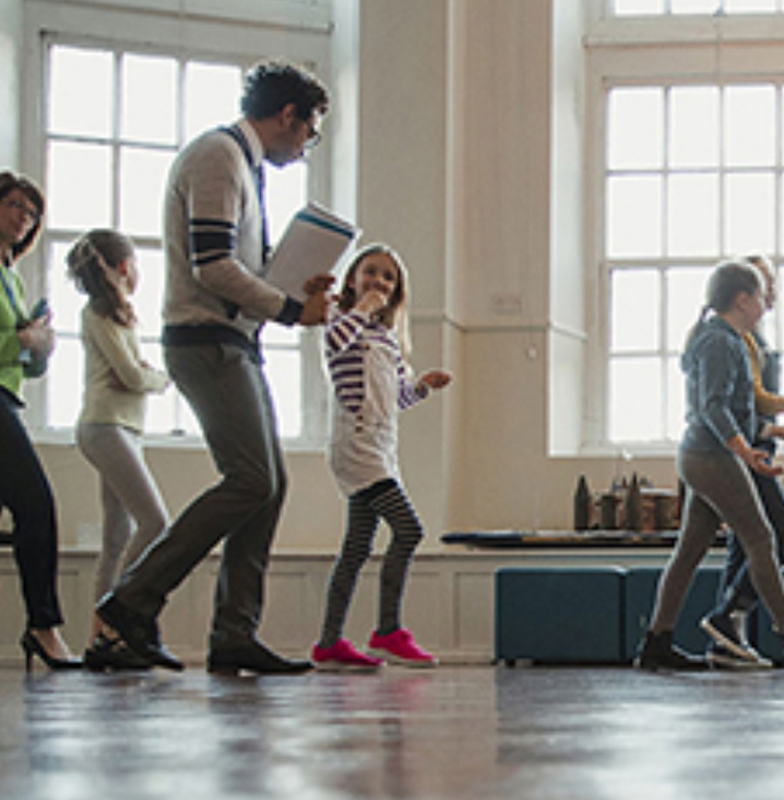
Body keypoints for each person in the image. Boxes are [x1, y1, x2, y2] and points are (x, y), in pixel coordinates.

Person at [97, 60, 332, 674]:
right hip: (204, 340)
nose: (307, 146)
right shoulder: (218, 156)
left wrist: (292, 283)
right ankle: (132, 600)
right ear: (288, 115)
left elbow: (234, 265)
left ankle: (233, 634)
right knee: (252, 478)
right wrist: (288, 308)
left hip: (231, 340)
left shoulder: (242, 166)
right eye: (311, 131)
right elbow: (212, 266)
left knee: (269, 484)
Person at [635, 259, 784, 671]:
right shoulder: (721, 341)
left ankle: (656, 642)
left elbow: (740, 413)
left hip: (703, 455)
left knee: (690, 550)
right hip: (710, 457)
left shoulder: (726, 338)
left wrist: (767, 436)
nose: (765, 307)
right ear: (742, 299)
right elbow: (714, 407)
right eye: (759, 297)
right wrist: (744, 450)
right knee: (761, 539)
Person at [311, 244, 452, 671]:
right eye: (370, 273)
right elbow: (333, 344)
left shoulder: (387, 338)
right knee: (409, 530)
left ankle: (329, 642)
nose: (379, 282)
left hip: (382, 447)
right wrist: (360, 308)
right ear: (353, 279)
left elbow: (392, 400)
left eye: (388, 278)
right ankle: (388, 630)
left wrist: (423, 385)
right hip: (356, 448)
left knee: (356, 547)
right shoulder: (342, 322)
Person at [66, 230, 170, 672]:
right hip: (104, 427)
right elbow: (131, 376)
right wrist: (159, 378)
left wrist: (139, 374)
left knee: (116, 539)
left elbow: (126, 375)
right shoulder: (98, 314)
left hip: (123, 429)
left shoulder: (120, 316)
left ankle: (100, 640)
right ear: (125, 267)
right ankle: (119, 618)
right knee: (156, 522)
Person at [0, 170, 81, 670]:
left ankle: (41, 626)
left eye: (30, 213)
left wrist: (39, 348)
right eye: (13, 205)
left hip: (8, 397)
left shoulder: (12, 276)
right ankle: (43, 626)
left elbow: (23, 365)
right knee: (36, 503)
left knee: (33, 506)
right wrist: (19, 341)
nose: (22, 218)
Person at [701, 255, 784, 669]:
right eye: (766, 287)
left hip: (754, 446)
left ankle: (727, 636)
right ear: (743, 297)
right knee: (770, 536)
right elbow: (743, 402)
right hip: (744, 450)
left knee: (744, 545)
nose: (771, 297)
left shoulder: (748, 336)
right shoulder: (733, 340)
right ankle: (727, 619)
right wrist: (755, 440)